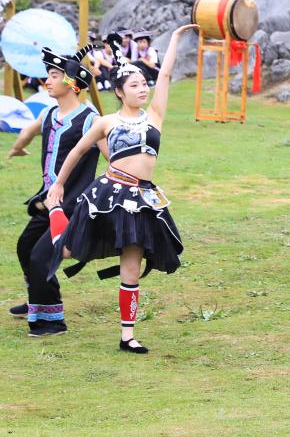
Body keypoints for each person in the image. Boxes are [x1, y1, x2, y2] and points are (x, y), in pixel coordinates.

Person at [44, 25, 195, 354]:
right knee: (68, 251)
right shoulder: (106, 122)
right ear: (120, 92)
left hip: (141, 198)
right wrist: (57, 186)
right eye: (135, 85)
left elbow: (165, 75)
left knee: (132, 266)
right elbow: (77, 151)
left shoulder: (154, 116)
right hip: (108, 195)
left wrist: (175, 39)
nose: (142, 89)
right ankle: (56, 216)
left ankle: (128, 336)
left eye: (143, 84)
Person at [6, 45, 106, 337]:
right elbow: (29, 131)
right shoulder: (49, 113)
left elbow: (112, 157)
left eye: (53, 75)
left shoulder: (90, 120)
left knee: (41, 257)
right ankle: (37, 297)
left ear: (71, 82)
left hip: (71, 206)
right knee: (25, 247)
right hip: (48, 201)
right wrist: (17, 147)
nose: (47, 81)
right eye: (47, 75)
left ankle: (52, 321)